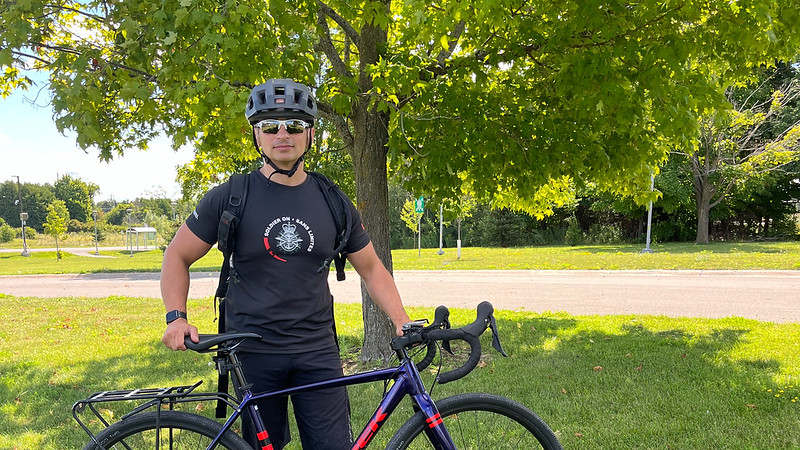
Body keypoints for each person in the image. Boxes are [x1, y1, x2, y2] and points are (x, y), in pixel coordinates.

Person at [160, 78, 410, 449]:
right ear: (257, 135)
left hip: (317, 350)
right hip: (252, 349)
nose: (283, 134)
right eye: (270, 125)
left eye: (294, 125)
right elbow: (176, 256)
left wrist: (401, 319)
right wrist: (176, 316)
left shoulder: (332, 200)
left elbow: (371, 268)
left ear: (309, 134)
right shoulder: (231, 196)